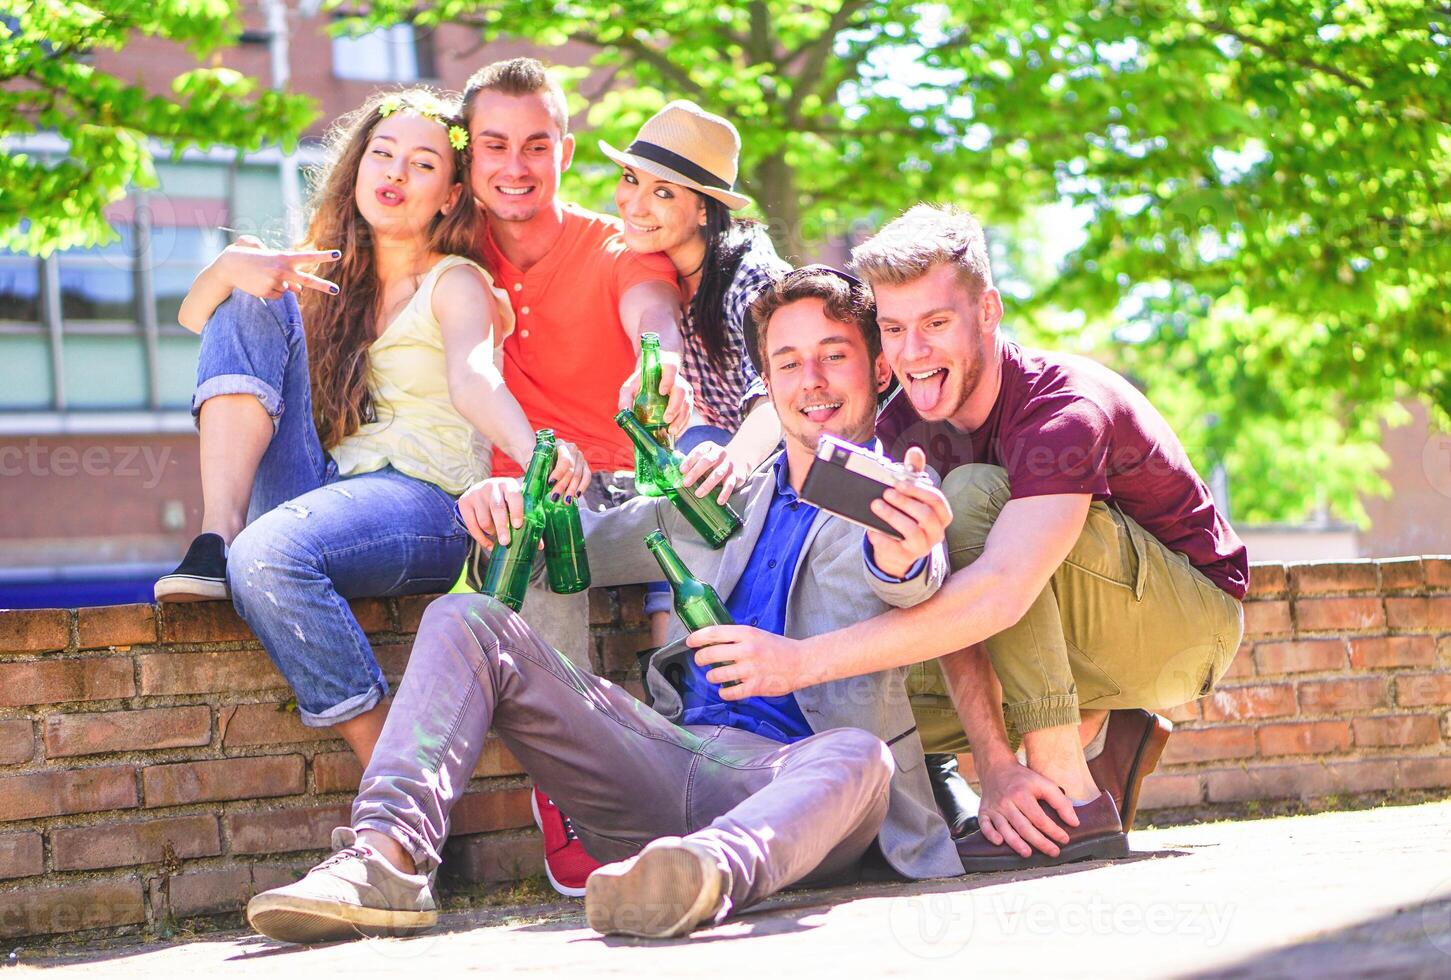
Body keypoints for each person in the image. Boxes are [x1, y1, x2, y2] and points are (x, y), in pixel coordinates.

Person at [242, 266, 965, 945]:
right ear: (766, 384)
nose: (810, 380)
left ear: (877, 369)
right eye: (787, 362)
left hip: (796, 782)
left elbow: (908, 570)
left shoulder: (896, 494)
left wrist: (903, 551)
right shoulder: (727, 486)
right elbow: (580, 541)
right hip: (663, 757)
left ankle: (698, 874)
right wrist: (509, 509)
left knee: (857, 756)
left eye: (833, 356)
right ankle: (386, 858)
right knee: (466, 620)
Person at [708, 204, 1247, 871]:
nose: (912, 352)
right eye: (895, 328)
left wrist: (798, 661)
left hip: (1186, 625)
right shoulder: (903, 423)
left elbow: (996, 594)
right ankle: (1035, 766)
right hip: (1064, 634)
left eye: (935, 324)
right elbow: (949, 601)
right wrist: (993, 766)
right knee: (881, 675)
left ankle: (1065, 791)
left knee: (967, 496)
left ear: (986, 312)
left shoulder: (1059, 407)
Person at [152, 89, 588, 765]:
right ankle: (216, 537)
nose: (393, 173)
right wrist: (223, 268)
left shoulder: (456, 281)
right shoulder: (322, 280)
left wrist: (535, 451)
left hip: (428, 503)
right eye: (382, 155)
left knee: (267, 560)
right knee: (248, 290)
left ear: (448, 195)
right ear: (356, 168)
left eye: (420, 164)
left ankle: (388, 769)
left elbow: (474, 375)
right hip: (328, 490)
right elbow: (201, 325)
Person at [453, 57, 697, 894]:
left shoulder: (613, 246)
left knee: (729, 515)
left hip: (626, 498)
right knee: (536, 532)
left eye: (535, 144)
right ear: (469, 153)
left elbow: (651, 311)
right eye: (494, 145)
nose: (515, 166)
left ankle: (707, 747)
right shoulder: (453, 260)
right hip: (515, 504)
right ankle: (572, 798)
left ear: (565, 146)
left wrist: (655, 362)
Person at [601, 99, 790, 647]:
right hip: (730, 477)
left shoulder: (753, 280)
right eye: (631, 179)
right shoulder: (668, 274)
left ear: (706, 210)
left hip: (794, 464)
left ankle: (670, 683)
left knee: (696, 458)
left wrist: (730, 458)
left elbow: (777, 398)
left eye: (663, 192)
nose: (634, 203)